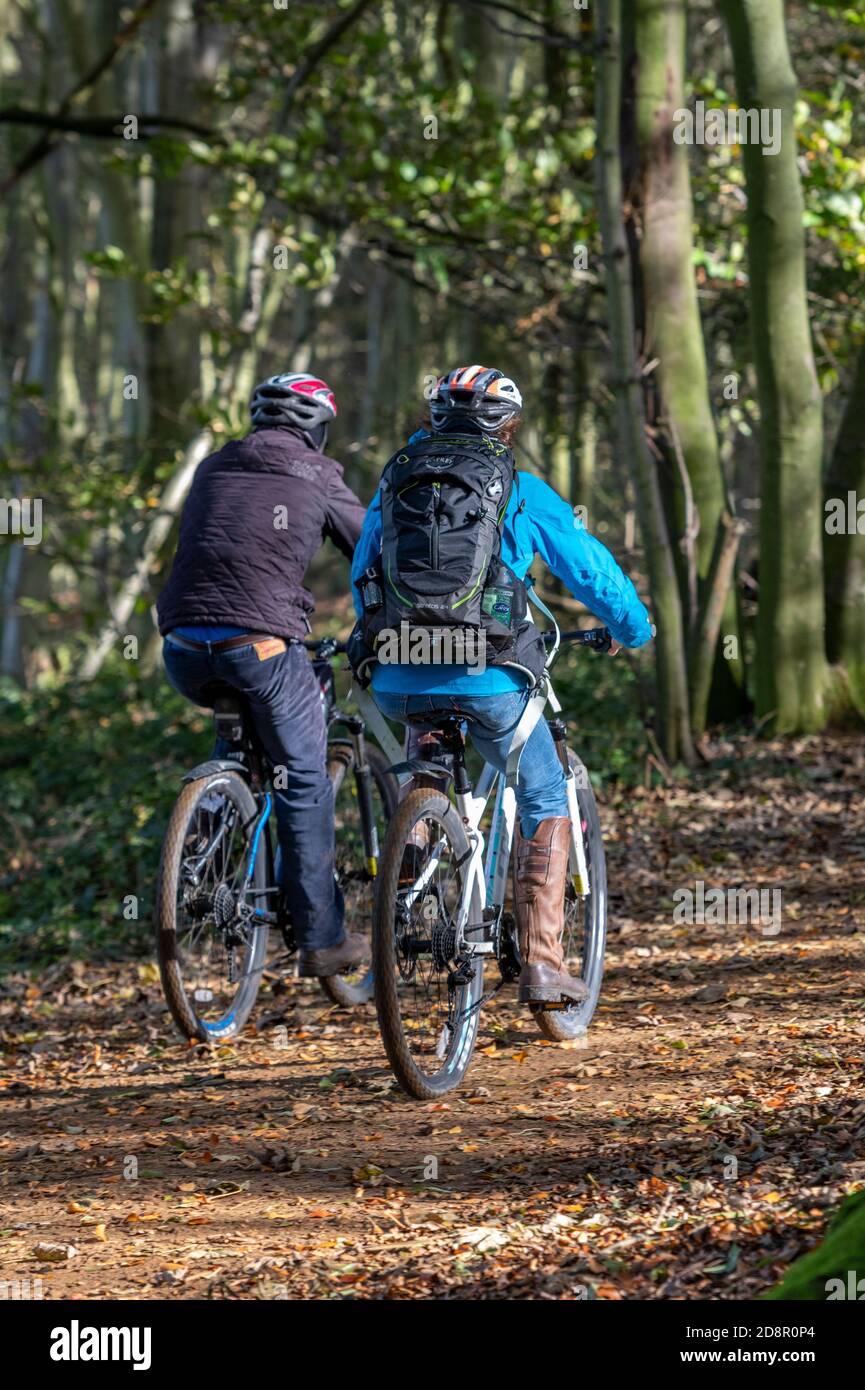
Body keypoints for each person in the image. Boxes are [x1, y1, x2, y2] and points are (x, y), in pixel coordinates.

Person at [350, 364, 653, 1006]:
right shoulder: (519, 485)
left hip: (398, 674)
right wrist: (632, 628)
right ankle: (542, 965)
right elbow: (589, 570)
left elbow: (362, 572)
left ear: (436, 420)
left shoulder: (395, 479)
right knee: (544, 789)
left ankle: (391, 931)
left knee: (423, 773)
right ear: (508, 426)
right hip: (488, 672)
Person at [156, 372, 367, 978]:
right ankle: (322, 939)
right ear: (318, 427)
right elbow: (370, 549)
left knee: (246, 732)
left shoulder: (214, 466)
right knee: (303, 775)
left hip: (182, 647)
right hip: (261, 646)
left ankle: (214, 843)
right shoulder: (318, 474)